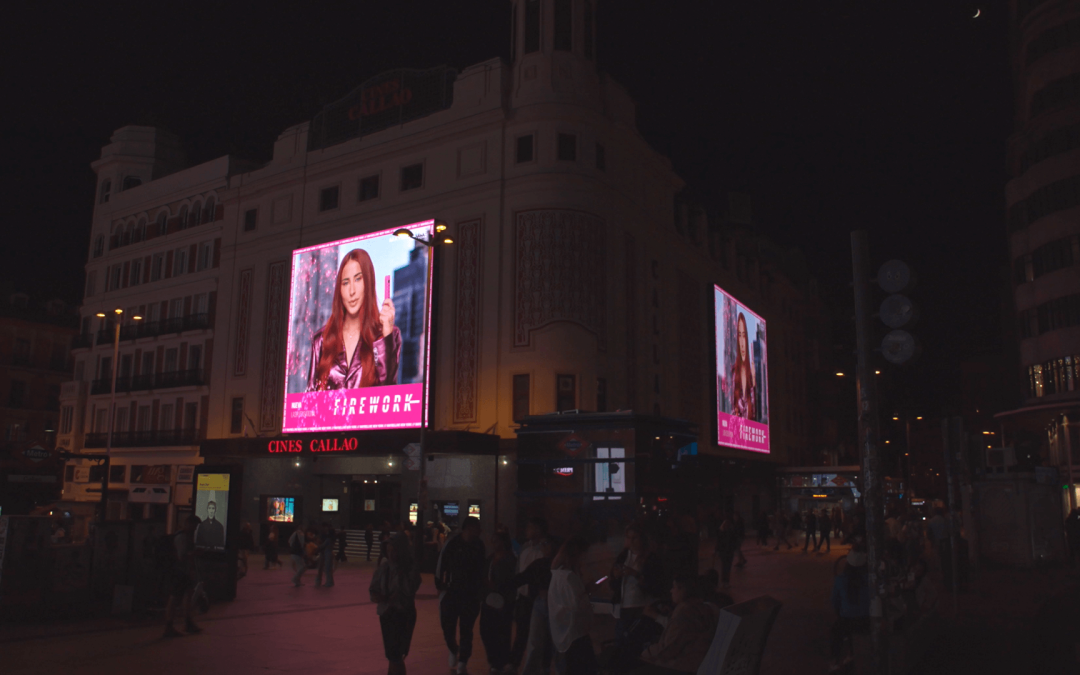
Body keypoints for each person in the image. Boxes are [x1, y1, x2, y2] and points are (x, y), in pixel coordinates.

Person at [306, 248, 401, 391]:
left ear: (368, 283)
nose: (352, 291)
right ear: (339, 289)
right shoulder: (321, 340)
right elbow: (310, 398)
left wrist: (385, 336)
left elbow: (387, 391)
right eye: (345, 283)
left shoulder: (388, 335)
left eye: (358, 279)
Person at [631, 573, 721, 675]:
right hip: (698, 661)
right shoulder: (705, 607)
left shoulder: (685, 612)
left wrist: (645, 652)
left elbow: (668, 649)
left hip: (683, 666)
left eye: (674, 587)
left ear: (682, 590)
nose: (671, 591)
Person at [436, 517, 486, 675]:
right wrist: (440, 587)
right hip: (452, 592)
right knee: (447, 626)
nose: (480, 530)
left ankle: (463, 661)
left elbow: (482, 570)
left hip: (470, 595)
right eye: (478, 527)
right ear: (469, 528)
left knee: (467, 629)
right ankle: (453, 648)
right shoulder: (453, 544)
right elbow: (441, 564)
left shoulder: (479, 545)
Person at [370, 532, 422, 675]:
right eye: (389, 550)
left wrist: (400, 574)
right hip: (387, 612)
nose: (391, 554)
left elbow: (410, 588)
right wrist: (377, 596)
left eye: (394, 550)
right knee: (392, 654)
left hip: (404, 613)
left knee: (396, 654)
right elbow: (373, 588)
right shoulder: (384, 568)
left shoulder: (410, 568)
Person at [548, 536, 597, 675]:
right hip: (575, 635)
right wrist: (587, 596)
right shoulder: (569, 577)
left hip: (564, 634)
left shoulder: (558, 575)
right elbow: (577, 607)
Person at [610, 524, 665, 644]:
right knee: (621, 641)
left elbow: (656, 585)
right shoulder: (623, 556)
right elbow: (613, 585)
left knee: (638, 641)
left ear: (642, 539)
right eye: (629, 538)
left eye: (635, 538)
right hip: (624, 607)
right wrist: (615, 576)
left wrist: (635, 574)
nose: (631, 541)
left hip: (642, 607)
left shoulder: (651, 558)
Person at [512, 537, 558, 675]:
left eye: (546, 544)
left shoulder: (548, 564)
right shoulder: (541, 563)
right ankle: (542, 669)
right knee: (540, 640)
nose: (543, 547)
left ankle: (541, 669)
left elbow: (522, 578)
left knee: (542, 641)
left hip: (546, 603)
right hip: (541, 602)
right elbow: (522, 578)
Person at [511, 517, 548, 672]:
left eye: (530, 527)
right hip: (524, 597)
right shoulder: (525, 548)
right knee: (521, 633)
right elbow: (519, 571)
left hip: (537, 597)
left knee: (539, 636)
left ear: (537, 529)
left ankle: (541, 667)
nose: (527, 531)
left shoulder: (544, 550)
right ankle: (514, 664)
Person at [480, 531, 517, 674]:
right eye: (492, 540)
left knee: (501, 631)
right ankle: (494, 659)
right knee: (485, 630)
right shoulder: (490, 558)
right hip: (489, 599)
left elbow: (510, 580)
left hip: (503, 600)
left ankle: (500, 661)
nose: (493, 543)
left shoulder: (509, 559)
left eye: (496, 540)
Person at [829, 549, 871, 672]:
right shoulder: (869, 579)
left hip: (847, 621)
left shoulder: (841, 579)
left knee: (835, 632)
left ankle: (835, 661)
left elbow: (834, 601)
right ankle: (851, 653)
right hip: (866, 619)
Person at [164, 514, 203, 638]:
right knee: (175, 598)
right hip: (179, 572)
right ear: (188, 524)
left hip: (183, 572)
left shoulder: (185, 536)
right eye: (194, 526)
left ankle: (187, 622)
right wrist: (194, 553)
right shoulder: (182, 538)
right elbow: (182, 556)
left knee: (185, 596)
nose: (195, 529)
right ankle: (170, 626)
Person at [730, 312, 757, 419]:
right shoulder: (733, 372)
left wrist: (754, 381)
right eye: (739, 335)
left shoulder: (751, 373)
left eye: (744, 335)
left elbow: (754, 411)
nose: (742, 342)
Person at [713, 516, 737, 591]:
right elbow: (719, 542)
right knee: (725, 567)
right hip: (725, 552)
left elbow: (719, 542)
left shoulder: (725, 532)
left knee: (726, 567)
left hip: (727, 552)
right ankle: (725, 581)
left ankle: (725, 581)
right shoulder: (725, 532)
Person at [316, 522, 336, 588]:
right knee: (327, 568)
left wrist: (318, 547)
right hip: (327, 551)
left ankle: (327, 582)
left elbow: (323, 544)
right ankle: (329, 581)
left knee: (326, 568)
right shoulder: (330, 537)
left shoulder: (327, 537)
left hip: (326, 551)